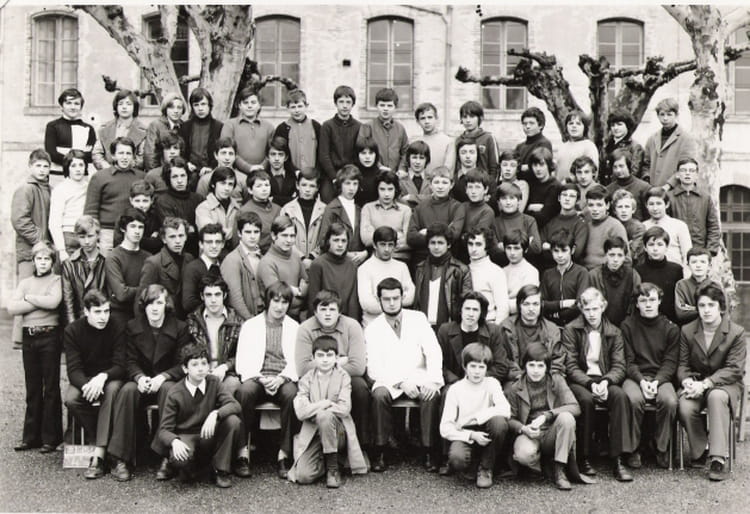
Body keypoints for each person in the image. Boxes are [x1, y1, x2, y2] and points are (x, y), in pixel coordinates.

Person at [107, 285, 190, 482]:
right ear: (144, 306)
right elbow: (129, 360)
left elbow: (183, 363)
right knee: (127, 390)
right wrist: (139, 377)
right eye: (150, 303)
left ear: (166, 305)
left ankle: (166, 456)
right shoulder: (132, 326)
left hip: (166, 382)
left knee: (170, 390)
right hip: (142, 381)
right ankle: (121, 458)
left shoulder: (180, 327)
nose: (154, 308)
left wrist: (164, 376)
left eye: (159, 303)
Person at [365, 278, 444, 472]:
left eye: (396, 298)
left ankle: (428, 450)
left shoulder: (418, 318)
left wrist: (433, 381)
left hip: (418, 375)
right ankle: (381, 449)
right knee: (379, 395)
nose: (392, 303)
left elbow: (433, 351)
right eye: (386, 299)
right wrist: (400, 383)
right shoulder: (373, 328)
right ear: (379, 300)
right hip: (389, 379)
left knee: (431, 394)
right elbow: (373, 366)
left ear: (403, 297)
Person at [562, 287, 635, 481]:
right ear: (581, 309)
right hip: (581, 381)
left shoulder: (614, 332)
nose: (592, 314)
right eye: (587, 310)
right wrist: (589, 384)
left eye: (595, 309)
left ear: (603, 307)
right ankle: (584, 457)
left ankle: (618, 458)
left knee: (620, 397)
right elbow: (570, 366)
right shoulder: (571, 330)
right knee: (585, 401)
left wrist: (606, 381)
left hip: (605, 379)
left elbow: (619, 365)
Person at [677, 283, 746, 482]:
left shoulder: (736, 332)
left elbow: (734, 369)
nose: (706, 310)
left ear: (721, 307)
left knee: (716, 397)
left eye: (711, 305)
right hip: (697, 383)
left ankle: (718, 458)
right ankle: (701, 449)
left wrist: (707, 383)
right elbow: (682, 365)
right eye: (702, 305)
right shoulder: (688, 330)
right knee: (684, 405)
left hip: (725, 384)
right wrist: (687, 381)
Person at [152, 343, 246, 488]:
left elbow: (235, 405)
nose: (201, 368)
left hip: (208, 434)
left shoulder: (214, 382)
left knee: (233, 421)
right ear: (185, 369)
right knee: (180, 460)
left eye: (204, 363)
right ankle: (192, 468)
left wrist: (216, 413)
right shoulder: (175, 392)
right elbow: (164, 430)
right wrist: (174, 441)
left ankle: (220, 469)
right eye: (194, 364)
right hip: (186, 435)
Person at [234, 281, 300, 479]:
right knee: (244, 392)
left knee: (292, 394)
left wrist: (281, 378)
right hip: (258, 376)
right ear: (268, 301)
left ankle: (284, 454)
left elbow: (298, 361)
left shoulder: (294, 327)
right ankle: (242, 452)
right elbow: (242, 361)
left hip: (283, 377)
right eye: (276, 301)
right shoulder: (250, 325)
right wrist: (261, 379)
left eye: (284, 302)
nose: (280, 307)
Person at [287, 335, 368, 488]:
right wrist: (325, 403)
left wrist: (317, 408)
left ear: (336, 357)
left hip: (339, 432)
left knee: (324, 416)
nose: (325, 360)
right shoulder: (306, 379)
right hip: (314, 432)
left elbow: (344, 408)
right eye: (320, 355)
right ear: (313, 358)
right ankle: (326, 460)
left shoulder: (343, 377)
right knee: (303, 476)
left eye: (329, 355)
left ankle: (333, 468)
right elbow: (300, 412)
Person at [62, 289, 126, 479]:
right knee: (71, 399)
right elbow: (73, 370)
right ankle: (105, 445)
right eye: (97, 312)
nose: (103, 317)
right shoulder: (72, 330)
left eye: (106, 311)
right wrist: (87, 385)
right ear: (86, 311)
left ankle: (98, 455)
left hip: (110, 377)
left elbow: (121, 365)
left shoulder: (117, 326)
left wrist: (103, 377)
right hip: (86, 380)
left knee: (112, 391)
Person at [296, 290, 370, 450]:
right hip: (315, 378)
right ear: (315, 312)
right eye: (323, 309)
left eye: (332, 309)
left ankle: (361, 444)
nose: (328, 314)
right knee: (303, 389)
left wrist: (328, 367)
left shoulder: (352, 326)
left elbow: (358, 367)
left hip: (345, 377)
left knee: (360, 387)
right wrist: (338, 361)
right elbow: (303, 368)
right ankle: (310, 443)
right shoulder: (305, 328)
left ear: (340, 312)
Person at [8, 242, 62, 452]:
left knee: (51, 387)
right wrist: (40, 301)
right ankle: (31, 437)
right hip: (29, 337)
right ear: (33, 261)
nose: (43, 262)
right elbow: (12, 307)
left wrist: (28, 299)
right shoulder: (25, 282)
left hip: (49, 336)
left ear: (52, 262)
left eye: (47, 259)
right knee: (32, 388)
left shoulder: (56, 280)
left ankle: (51, 438)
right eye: (39, 259)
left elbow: (54, 302)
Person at [507, 343, 583, 491]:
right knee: (523, 455)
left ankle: (559, 469)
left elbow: (575, 407)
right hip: (530, 433)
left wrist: (547, 415)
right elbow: (509, 419)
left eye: (540, 366)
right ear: (525, 366)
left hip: (552, 431)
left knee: (567, 418)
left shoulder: (556, 380)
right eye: (531, 365)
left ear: (547, 367)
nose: (536, 370)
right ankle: (542, 465)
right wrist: (524, 429)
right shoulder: (515, 388)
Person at [621, 283, 680, 470]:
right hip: (635, 376)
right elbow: (628, 361)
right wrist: (641, 381)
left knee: (669, 401)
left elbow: (670, 362)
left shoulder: (671, 328)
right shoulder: (627, 326)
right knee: (633, 400)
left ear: (659, 301)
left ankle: (661, 447)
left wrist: (656, 382)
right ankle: (633, 448)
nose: (648, 304)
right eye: (643, 300)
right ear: (637, 304)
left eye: (652, 300)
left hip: (660, 377)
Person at [439, 343, 510, 488]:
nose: (477, 372)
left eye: (481, 367)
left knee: (499, 422)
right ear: (465, 366)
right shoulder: (455, 389)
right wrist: (471, 435)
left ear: (487, 368)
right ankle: (472, 464)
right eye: (473, 366)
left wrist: (476, 417)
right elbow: (445, 428)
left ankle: (486, 468)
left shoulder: (492, 383)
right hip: (465, 432)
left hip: (486, 430)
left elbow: (505, 409)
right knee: (457, 458)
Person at [11, 149, 52, 349]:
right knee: (25, 290)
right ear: (30, 166)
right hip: (29, 251)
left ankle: (36, 334)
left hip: (44, 250)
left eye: (46, 166)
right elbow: (19, 220)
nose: (42, 170)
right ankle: (19, 338)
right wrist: (39, 240)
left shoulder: (48, 189)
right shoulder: (26, 189)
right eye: (38, 166)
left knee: (41, 291)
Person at [83, 136, 145, 255]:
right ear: (113, 155)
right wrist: (95, 235)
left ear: (133, 156)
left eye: (128, 153)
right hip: (107, 233)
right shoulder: (100, 177)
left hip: (133, 231)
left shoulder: (141, 177)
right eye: (121, 153)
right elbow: (91, 211)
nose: (124, 157)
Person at [185, 276, 244, 398]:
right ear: (202, 296)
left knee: (232, 385)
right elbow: (186, 352)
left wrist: (225, 367)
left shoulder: (237, 322)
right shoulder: (193, 321)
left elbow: (243, 354)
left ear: (224, 295)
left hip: (226, 373)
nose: (213, 300)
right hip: (199, 372)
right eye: (208, 295)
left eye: (217, 295)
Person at [498, 284, 565, 391]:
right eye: (526, 304)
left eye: (535, 304)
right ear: (519, 305)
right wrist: (521, 376)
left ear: (541, 305)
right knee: (510, 391)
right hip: (516, 379)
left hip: (544, 377)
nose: (531, 309)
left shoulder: (552, 329)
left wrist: (543, 376)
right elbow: (503, 360)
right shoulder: (506, 328)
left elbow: (557, 361)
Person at [437, 292, 508, 388]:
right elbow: (439, 364)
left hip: (483, 383)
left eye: (475, 310)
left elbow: (501, 366)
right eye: (467, 309)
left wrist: (476, 379)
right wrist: (458, 383)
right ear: (460, 310)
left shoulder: (493, 331)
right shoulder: (445, 330)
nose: (471, 314)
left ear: (481, 313)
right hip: (454, 384)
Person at [413, 222, 473, 329]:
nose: (436, 247)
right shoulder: (420, 268)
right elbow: (417, 302)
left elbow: (466, 302)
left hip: (449, 327)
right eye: (433, 243)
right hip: (422, 326)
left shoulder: (460, 270)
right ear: (428, 245)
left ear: (448, 244)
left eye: (440, 243)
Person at [406, 166, 466, 266]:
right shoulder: (420, 207)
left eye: (444, 183)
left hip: (447, 261)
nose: (440, 187)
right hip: (422, 261)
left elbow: (454, 235)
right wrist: (444, 231)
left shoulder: (457, 207)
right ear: (430, 185)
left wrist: (427, 232)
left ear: (451, 185)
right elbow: (411, 237)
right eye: (436, 182)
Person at [358, 226, 415, 326]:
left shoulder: (401, 266)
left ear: (395, 246)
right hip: (373, 325)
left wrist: (381, 300)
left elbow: (411, 297)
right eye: (382, 244)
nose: (387, 249)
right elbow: (367, 304)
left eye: (390, 245)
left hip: (398, 325)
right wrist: (398, 300)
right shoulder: (364, 268)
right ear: (374, 245)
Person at [139, 217, 194, 320]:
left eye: (181, 236)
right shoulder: (154, 263)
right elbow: (142, 300)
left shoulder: (189, 259)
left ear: (186, 237)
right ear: (164, 239)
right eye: (172, 237)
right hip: (163, 320)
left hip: (186, 320)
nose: (177, 241)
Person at [257, 215, 308, 320]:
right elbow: (279, 295)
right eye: (284, 235)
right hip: (276, 317)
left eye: (292, 236)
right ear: (273, 236)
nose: (289, 240)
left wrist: (296, 291)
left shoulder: (295, 256)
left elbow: (306, 284)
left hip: (298, 316)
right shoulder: (267, 262)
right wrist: (299, 292)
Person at [105, 208, 150, 326]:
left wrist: (131, 290)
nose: (137, 231)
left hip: (143, 313)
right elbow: (121, 294)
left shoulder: (148, 257)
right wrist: (145, 289)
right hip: (120, 315)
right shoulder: (114, 257)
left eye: (140, 227)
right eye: (133, 226)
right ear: (123, 228)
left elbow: (154, 291)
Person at [667, 158, 721, 256]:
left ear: (696, 175)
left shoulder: (705, 197)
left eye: (692, 171)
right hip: (675, 251)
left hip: (699, 251)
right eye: (683, 170)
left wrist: (710, 251)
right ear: (677, 174)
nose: (687, 173)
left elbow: (713, 226)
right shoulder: (669, 197)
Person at [318, 85, 362, 202]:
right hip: (331, 174)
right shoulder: (327, 126)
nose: (345, 106)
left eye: (348, 102)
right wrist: (334, 177)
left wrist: (351, 175)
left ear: (353, 104)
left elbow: (359, 154)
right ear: (335, 103)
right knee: (327, 200)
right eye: (341, 102)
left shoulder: (359, 127)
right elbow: (324, 155)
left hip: (351, 174)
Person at [61, 216, 107, 326]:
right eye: (82, 237)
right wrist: (73, 327)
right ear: (77, 237)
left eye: (90, 236)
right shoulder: (69, 264)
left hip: (104, 319)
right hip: (80, 321)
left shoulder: (108, 260)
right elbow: (68, 301)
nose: (86, 241)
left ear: (98, 235)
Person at [308, 223, 360, 320]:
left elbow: (353, 301)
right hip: (324, 318)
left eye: (343, 241)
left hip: (346, 320)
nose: (340, 244)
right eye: (336, 240)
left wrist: (353, 323)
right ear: (328, 241)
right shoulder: (318, 264)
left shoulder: (352, 265)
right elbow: (313, 300)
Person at [643, 97, 698, 187]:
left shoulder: (687, 139)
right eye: (662, 114)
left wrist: (668, 186)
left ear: (676, 115)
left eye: (669, 115)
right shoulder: (651, 139)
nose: (665, 118)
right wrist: (647, 181)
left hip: (675, 190)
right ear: (658, 116)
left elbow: (686, 167)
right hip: (652, 190)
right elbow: (646, 164)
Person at [220, 211, 266, 320]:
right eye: (248, 232)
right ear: (239, 233)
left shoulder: (261, 257)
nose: (252, 236)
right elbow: (235, 299)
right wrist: (250, 321)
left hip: (262, 315)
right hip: (244, 320)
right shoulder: (232, 260)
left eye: (256, 232)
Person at [318, 164, 367, 264]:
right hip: (336, 262)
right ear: (340, 184)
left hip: (357, 262)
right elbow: (323, 240)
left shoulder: (360, 209)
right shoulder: (332, 208)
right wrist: (345, 253)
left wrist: (365, 253)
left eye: (355, 184)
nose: (351, 188)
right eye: (347, 183)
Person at [154, 156, 203, 256]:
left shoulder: (198, 199)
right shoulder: (163, 201)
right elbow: (174, 229)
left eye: (183, 176)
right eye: (175, 177)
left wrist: (192, 229)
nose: (180, 180)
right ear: (168, 179)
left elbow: (204, 229)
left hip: (197, 250)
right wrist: (193, 228)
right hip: (174, 253)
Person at [220, 87, 275, 175]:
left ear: (259, 105)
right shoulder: (230, 125)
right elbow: (226, 150)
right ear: (239, 105)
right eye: (245, 103)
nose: (249, 106)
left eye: (253, 102)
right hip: (236, 174)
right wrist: (248, 168)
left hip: (262, 175)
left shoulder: (269, 127)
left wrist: (261, 168)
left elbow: (273, 152)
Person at [635, 226, 685, 323]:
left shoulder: (676, 270)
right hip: (644, 322)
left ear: (667, 247)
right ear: (645, 247)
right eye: (651, 245)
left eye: (660, 244)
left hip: (670, 322)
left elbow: (678, 301)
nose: (655, 249)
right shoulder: (637, 271)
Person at [587, 236, 642, 325]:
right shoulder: (594, 276)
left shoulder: (633, 275)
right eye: (612, 255)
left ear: (625, 257)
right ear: (605, 255)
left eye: (620, 255)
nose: (615, 260)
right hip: (601, 325)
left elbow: (636, 305)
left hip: (626, 326)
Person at [540, 229, 589, 327]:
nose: (560, 255)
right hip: (551, 325)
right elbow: (542, 304)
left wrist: (557, 315)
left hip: (575, 325)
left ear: (572, 250)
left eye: (564, 250)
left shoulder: (581, 272)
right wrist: (562, 304)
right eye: (556, 251)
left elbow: (580, 304)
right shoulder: (547, 274)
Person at [279, 167, 327, 267]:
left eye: (312, 186)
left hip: (317, 263)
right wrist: (301, 257)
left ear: (317, 188)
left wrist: (313, 257)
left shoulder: (324, 210)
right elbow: (283, 236)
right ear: (297, 185)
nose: (307, 190)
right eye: (304, 185)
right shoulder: (287, 209)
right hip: (292, 262)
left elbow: (326, 237)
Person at [360, 170, 412, 262]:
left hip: (400, 258)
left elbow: (407, 241)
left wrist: (377, 237)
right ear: (377, 189)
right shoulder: (368, 208)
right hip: (376, 260)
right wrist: (396, 236)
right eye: (382, 189)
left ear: (395, 189)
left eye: (390, 189)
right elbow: (366, 239)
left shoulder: (405, 210)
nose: (386, 194)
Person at [44, 88, 96, 174]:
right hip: (58, 173)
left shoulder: (88, 128)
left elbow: (91, 155)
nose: (73, 107)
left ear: (81, 107)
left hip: (81, 175)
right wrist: (77, 157)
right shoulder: (53, 126)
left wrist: (67, 154)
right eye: (68, 103)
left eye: (76, 104)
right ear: (61, 106)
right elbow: (51, 153)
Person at [92, 89, 147, 171]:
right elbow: (97, 154)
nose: (124, 107)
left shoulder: (143, 130)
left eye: (128, 104)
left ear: (134, 107)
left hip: (132, 173)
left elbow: (142, 157)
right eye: (120, 104)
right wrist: (108, 169)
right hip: (108, 173)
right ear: (116, 107)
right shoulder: (105, 128)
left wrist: (125, 168)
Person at [49, 149, 89, 258]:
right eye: (73, 166)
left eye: (81, 165)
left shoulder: (89, 187)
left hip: (86, 237)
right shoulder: (60, 189)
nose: (78, 169)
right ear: (67, 168)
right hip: (69, 237)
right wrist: (61, 250)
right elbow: (54, 222)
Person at [358, 88, 408, 173]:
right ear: (376, 106)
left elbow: (405, 151)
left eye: (389, 106)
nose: (385, 109)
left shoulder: (400, 129)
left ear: (395, 107)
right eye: (382, 105)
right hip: (374, 173)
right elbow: (361, 150)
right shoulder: (367, 127)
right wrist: (379, 166)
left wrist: (401, 168)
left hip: (395, 174)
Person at [466, 226, 509, 324]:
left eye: (478, 244)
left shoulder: (495, 271)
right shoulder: (463, 269)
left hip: (488, 324)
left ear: (487, 246)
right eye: (470, 244)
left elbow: (503, 308)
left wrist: (494, 329)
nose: (473, 249)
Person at [642, 186, 692, 270]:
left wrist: (685, 274)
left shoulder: (679, 226)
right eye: (651, 204)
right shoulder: (642, 227)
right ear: (646, 205)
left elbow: (687, 255)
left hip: (675, 272)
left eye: (659, 203)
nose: (655, 208)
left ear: (667, 204)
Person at [541, 183, 588, 268]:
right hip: (548, 269)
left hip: (570, 270)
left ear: (577, 200)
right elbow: (541, 248)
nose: (567, 199)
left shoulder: (580, 223)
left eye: (572, 196)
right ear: (559, 198)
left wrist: (550, 247)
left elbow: (576, 253)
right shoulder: (551, 221)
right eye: (564, 195)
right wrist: (565, 248)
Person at [582, 185, 629, 271]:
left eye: (599, 205)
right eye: (591, 205)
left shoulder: (615, 226)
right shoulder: (585, 225)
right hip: (584, 272)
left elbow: (626, 259)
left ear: (607, 205)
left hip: (604, 273)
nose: (595, 209)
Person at [180, 87, 224, 177]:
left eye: (203, 104)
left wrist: (211, 167)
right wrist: (186, 163)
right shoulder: (185, 127)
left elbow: (222, 151)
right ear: (192, 107)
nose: (200, 108)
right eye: (196, 105)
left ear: (209, 105)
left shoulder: (218, 127)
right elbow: (181, 151)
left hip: (211, 171)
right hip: (189, 171)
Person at [181, 224, 225, 315]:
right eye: (209, 242)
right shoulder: (192, 268)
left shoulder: (224, 264)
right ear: (201, 244)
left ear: (222, 244)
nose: (214, 246)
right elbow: (188, 303)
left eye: (217, 242)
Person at [273, 89, 321, 171]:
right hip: (291, 173)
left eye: (300, 106)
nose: (297, 110)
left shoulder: (315, 126)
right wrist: (293, 171)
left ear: (306, 106)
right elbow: (280, 154)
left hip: (313, 173)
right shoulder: (282, 128)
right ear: (287, 108)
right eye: (293, 107)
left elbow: (322, 151)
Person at [195, 166, 242, 247]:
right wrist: (235, 232)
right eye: (222, 183)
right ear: (213, 184)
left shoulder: (237, 207)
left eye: (230, 184)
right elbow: (211, 233)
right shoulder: (203, 208)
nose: (227, 188)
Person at [113, 180, 162, 255]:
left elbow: (158, 244)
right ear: (131, 200)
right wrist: (149, 240)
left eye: (145, 201)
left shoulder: (156, 217)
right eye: (137, 201)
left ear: (152, 200)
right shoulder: (124, 217)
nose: (141, 205)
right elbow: (119, 242)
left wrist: (133, 239)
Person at [675, 247, 722, 325]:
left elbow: (721, 310)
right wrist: (708, 308)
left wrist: (690, 308)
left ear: (709, 266)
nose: (698, 265)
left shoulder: (716, 285)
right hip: (689, 328)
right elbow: (681, 311)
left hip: (711, 327)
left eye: (702, 262)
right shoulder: (681, 285)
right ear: (688, 265)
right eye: (694, 262)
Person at [195, 137, 249, 202]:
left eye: (231, 154)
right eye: (223, 153)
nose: (227, 158)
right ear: (216, 155)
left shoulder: (243, 179)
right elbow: (200, 203)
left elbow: (248, 204)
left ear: (235, 156)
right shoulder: (205, 180)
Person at [455, 100, 499, 181]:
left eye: (472, 117)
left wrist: (491, 184)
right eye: (465, 117)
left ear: (480, 118)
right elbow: (456, 166)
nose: (468, 120)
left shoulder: (488, 138)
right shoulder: (458, 140)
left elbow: (494, 166)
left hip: (483, 184)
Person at [240, 170, 281, 253]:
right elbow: (238, 242)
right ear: (250, 190)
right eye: (259, 186)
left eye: (267, 185)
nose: (264, 189)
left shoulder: (278, 209)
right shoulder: (244, 211)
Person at [603, 108, 646, 184]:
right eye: (613, 125)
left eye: (619, 124)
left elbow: (634, 174)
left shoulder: (635, 147)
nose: (616, 128)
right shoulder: (607, 146)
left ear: (627, 126)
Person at [144, 92, 185, 171]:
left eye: (179, 108)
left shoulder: (183, 126)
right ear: (165, 109)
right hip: (160, 171)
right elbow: (150, 155)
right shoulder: (156, 125)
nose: (176, 111)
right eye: (172, 107)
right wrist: (156, 174)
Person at [555, 110, 599, 184]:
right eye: (571, 123)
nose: (574, 126)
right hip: (561, 188)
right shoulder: (562, 146)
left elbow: (593, 173)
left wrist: (569, 181)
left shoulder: (589, 146)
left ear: (585, 128)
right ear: (566, 127)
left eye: (578, 124)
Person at [605, 148, 650, 221]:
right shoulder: (609, 189)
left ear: (629, 165)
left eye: (621, 166)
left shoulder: (644, 188)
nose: (618, 170)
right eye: (615, 167)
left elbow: (647, 216)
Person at [502, 231, 539, 315]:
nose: (512, 253)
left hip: (520, 315)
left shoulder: (530, 271)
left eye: (516, 248)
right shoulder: (502, 271)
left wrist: (502, 305)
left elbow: (527, 300)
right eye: (509, 248)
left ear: (525, 250)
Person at [411, 102, 454, 174]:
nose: (427, 121)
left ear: (436, 119)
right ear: (418, 121)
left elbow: (448, 168)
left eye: (430, 117)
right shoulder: (415, 143)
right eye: (422, 118)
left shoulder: (448, 141)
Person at [524, 146, 561, 230]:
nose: (538, 169)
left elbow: (544, 217)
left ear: (548, 165)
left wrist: (528, 209)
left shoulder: (555, 186)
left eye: (542, 165)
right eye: (535, 165)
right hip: (528, 227)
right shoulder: (530, 182)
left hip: (547, 229)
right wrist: (529, 207)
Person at [514, 106, 553, 180]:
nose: (527, 126)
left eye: (531, 123)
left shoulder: (544, 144)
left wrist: (521, 167)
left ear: (540, 125)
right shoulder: (520, 147)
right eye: (525, 123)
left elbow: (542, 168)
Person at [612, 189, 645, 264]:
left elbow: (632, 254)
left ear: (633, 210)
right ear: (614, 210)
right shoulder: (612, 225)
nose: (623, 210)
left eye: (627, 207)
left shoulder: (639, 228)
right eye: (620, 207)